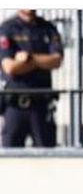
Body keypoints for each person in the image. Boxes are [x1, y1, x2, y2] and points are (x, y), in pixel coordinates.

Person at [0, 10, 63, 147]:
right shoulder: (7, 28)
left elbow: (57, 61)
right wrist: (41, 62)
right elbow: (9, 67)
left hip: (41, 105)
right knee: (10, 158)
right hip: (15, 105)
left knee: (46, 156)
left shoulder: (48, 28)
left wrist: (29, 58)